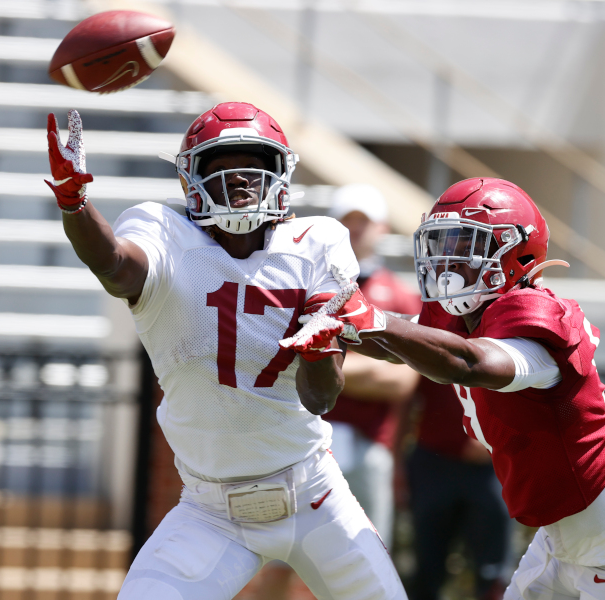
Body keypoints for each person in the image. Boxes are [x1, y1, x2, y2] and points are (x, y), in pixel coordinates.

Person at [44, 102, 408, 600]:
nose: (240, 181)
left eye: (254, 167)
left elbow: (321, 398)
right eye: (220, 167)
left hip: (314, 495)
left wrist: (322, 351)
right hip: (209, 508)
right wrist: (75, 206)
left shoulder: (315, 242)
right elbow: (116, 267)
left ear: (279, 175)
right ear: (190, 179)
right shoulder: (165, 237)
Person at [283, 177, 605, 600]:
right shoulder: (462, 318)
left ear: (516, 251)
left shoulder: (534, 314)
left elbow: (470, 362)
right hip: (562, 542)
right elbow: (406, 345)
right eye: (441, 243)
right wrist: (332, 319)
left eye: (464, 246)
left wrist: (371, 320)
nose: (447, 260)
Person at [258, 184, 420, 599]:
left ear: (382, 227)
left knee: (366, 560)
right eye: (347, 221)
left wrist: (325, 366)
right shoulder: (300, 286)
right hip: (298, 442)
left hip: (368, 446)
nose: (355, 231)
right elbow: (281, 362)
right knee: (277, 558)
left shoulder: (399, 294)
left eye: (363, 221)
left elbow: (401, 381)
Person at [408, 377, 512, 600]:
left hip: (490, 466)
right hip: (433, 460)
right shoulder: (429, 343)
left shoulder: (505, 341)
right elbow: (405, 399)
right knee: (427, 565)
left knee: (493, 571)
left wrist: (496, 438)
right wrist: (397, 461)